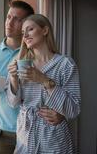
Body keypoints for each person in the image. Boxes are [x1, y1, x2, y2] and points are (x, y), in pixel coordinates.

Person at [0, 0, 64, 150]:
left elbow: (49, 91)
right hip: (5, 129)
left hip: (36, 130)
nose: (10, 23)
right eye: (9, 17)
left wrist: (61, 113)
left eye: (17, 19)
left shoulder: (39, 54)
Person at [7, 14, 81, 153]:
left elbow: (73, 109)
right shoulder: (20, 64)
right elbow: (13, 103)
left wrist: (44, 80)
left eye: (30, 29)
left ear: (45, 30)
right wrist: (13, 78)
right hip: (25, 137)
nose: (25, 35)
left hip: (53, 139)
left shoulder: (65, 64)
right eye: (23, 32)